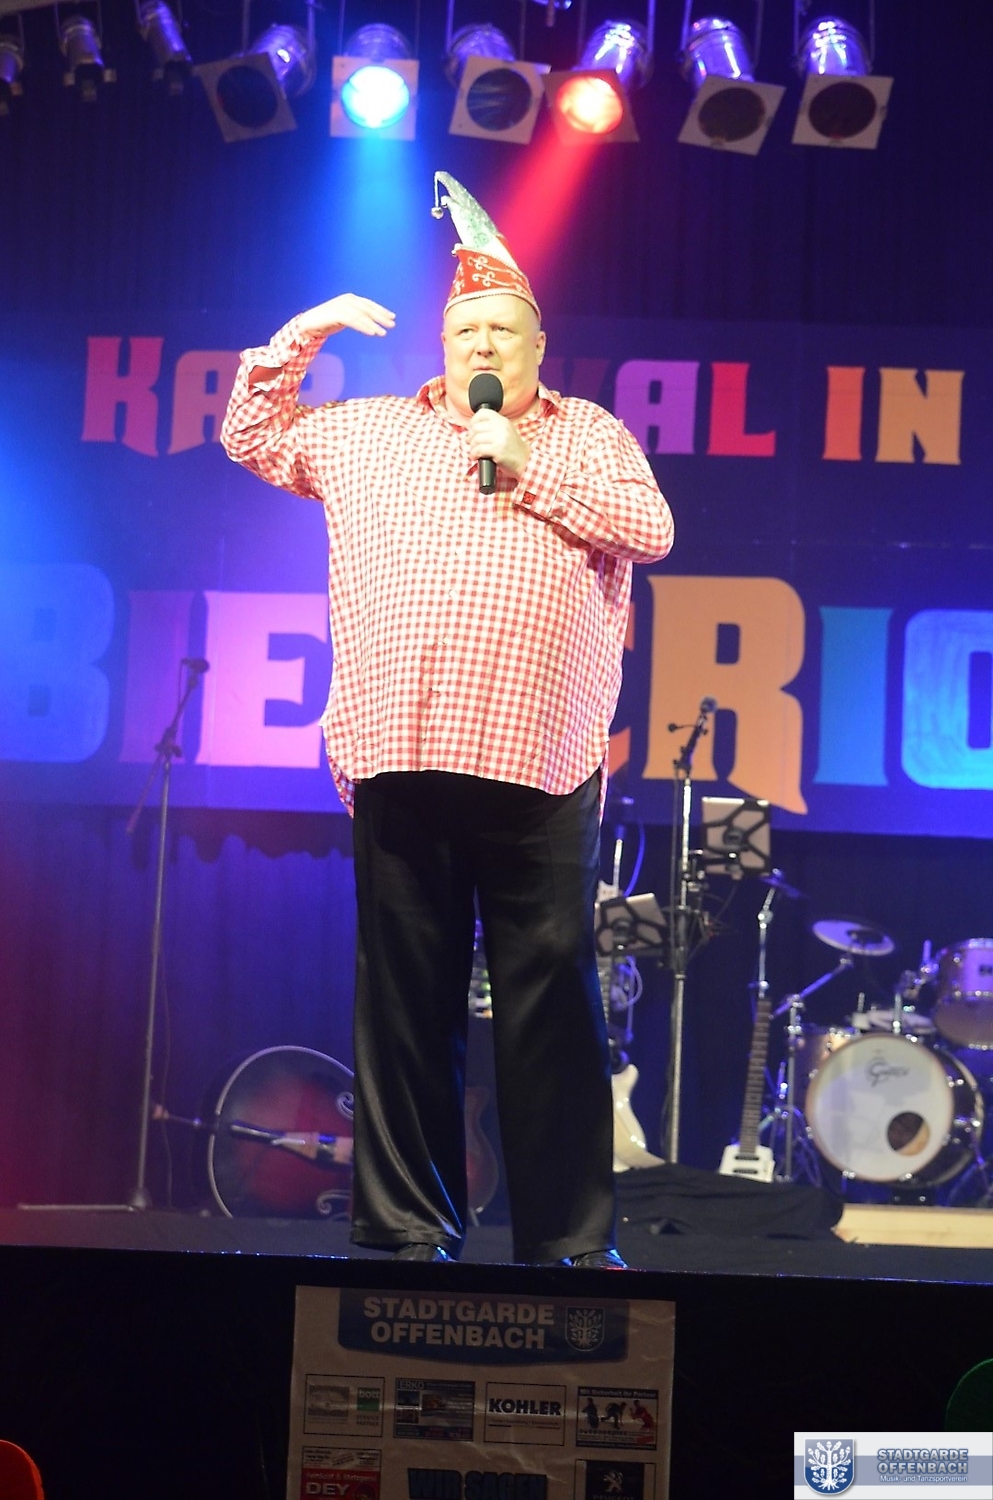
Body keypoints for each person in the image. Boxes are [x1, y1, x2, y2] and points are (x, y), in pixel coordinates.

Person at [220, 172, 674, 1268]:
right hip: (401, 746)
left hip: (540, 758)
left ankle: (567, 1243)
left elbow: (650, 530)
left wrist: (527, 469)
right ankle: (406, 1230)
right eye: (466, 327)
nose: (482, 341)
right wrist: (308, 330)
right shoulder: (370, 433)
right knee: (405, 1003)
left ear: (537, 348)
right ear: (443, 343)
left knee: (548, 1003)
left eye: (502, 329)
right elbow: (252, 433)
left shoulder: (585, 434)